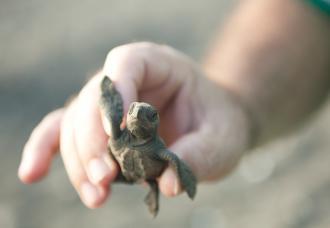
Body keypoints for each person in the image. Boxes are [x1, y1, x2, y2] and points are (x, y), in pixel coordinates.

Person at [18, 0, 330, 209]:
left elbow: (176, 161)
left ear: (152, 124)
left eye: (146, 112)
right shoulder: (122, 132)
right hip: (118, 171)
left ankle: (152, 193)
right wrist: (234, 102)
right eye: (134, 110)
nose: (139, 112)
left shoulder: (161, 150)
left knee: (165, 177)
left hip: (140, 174)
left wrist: (188, 177)